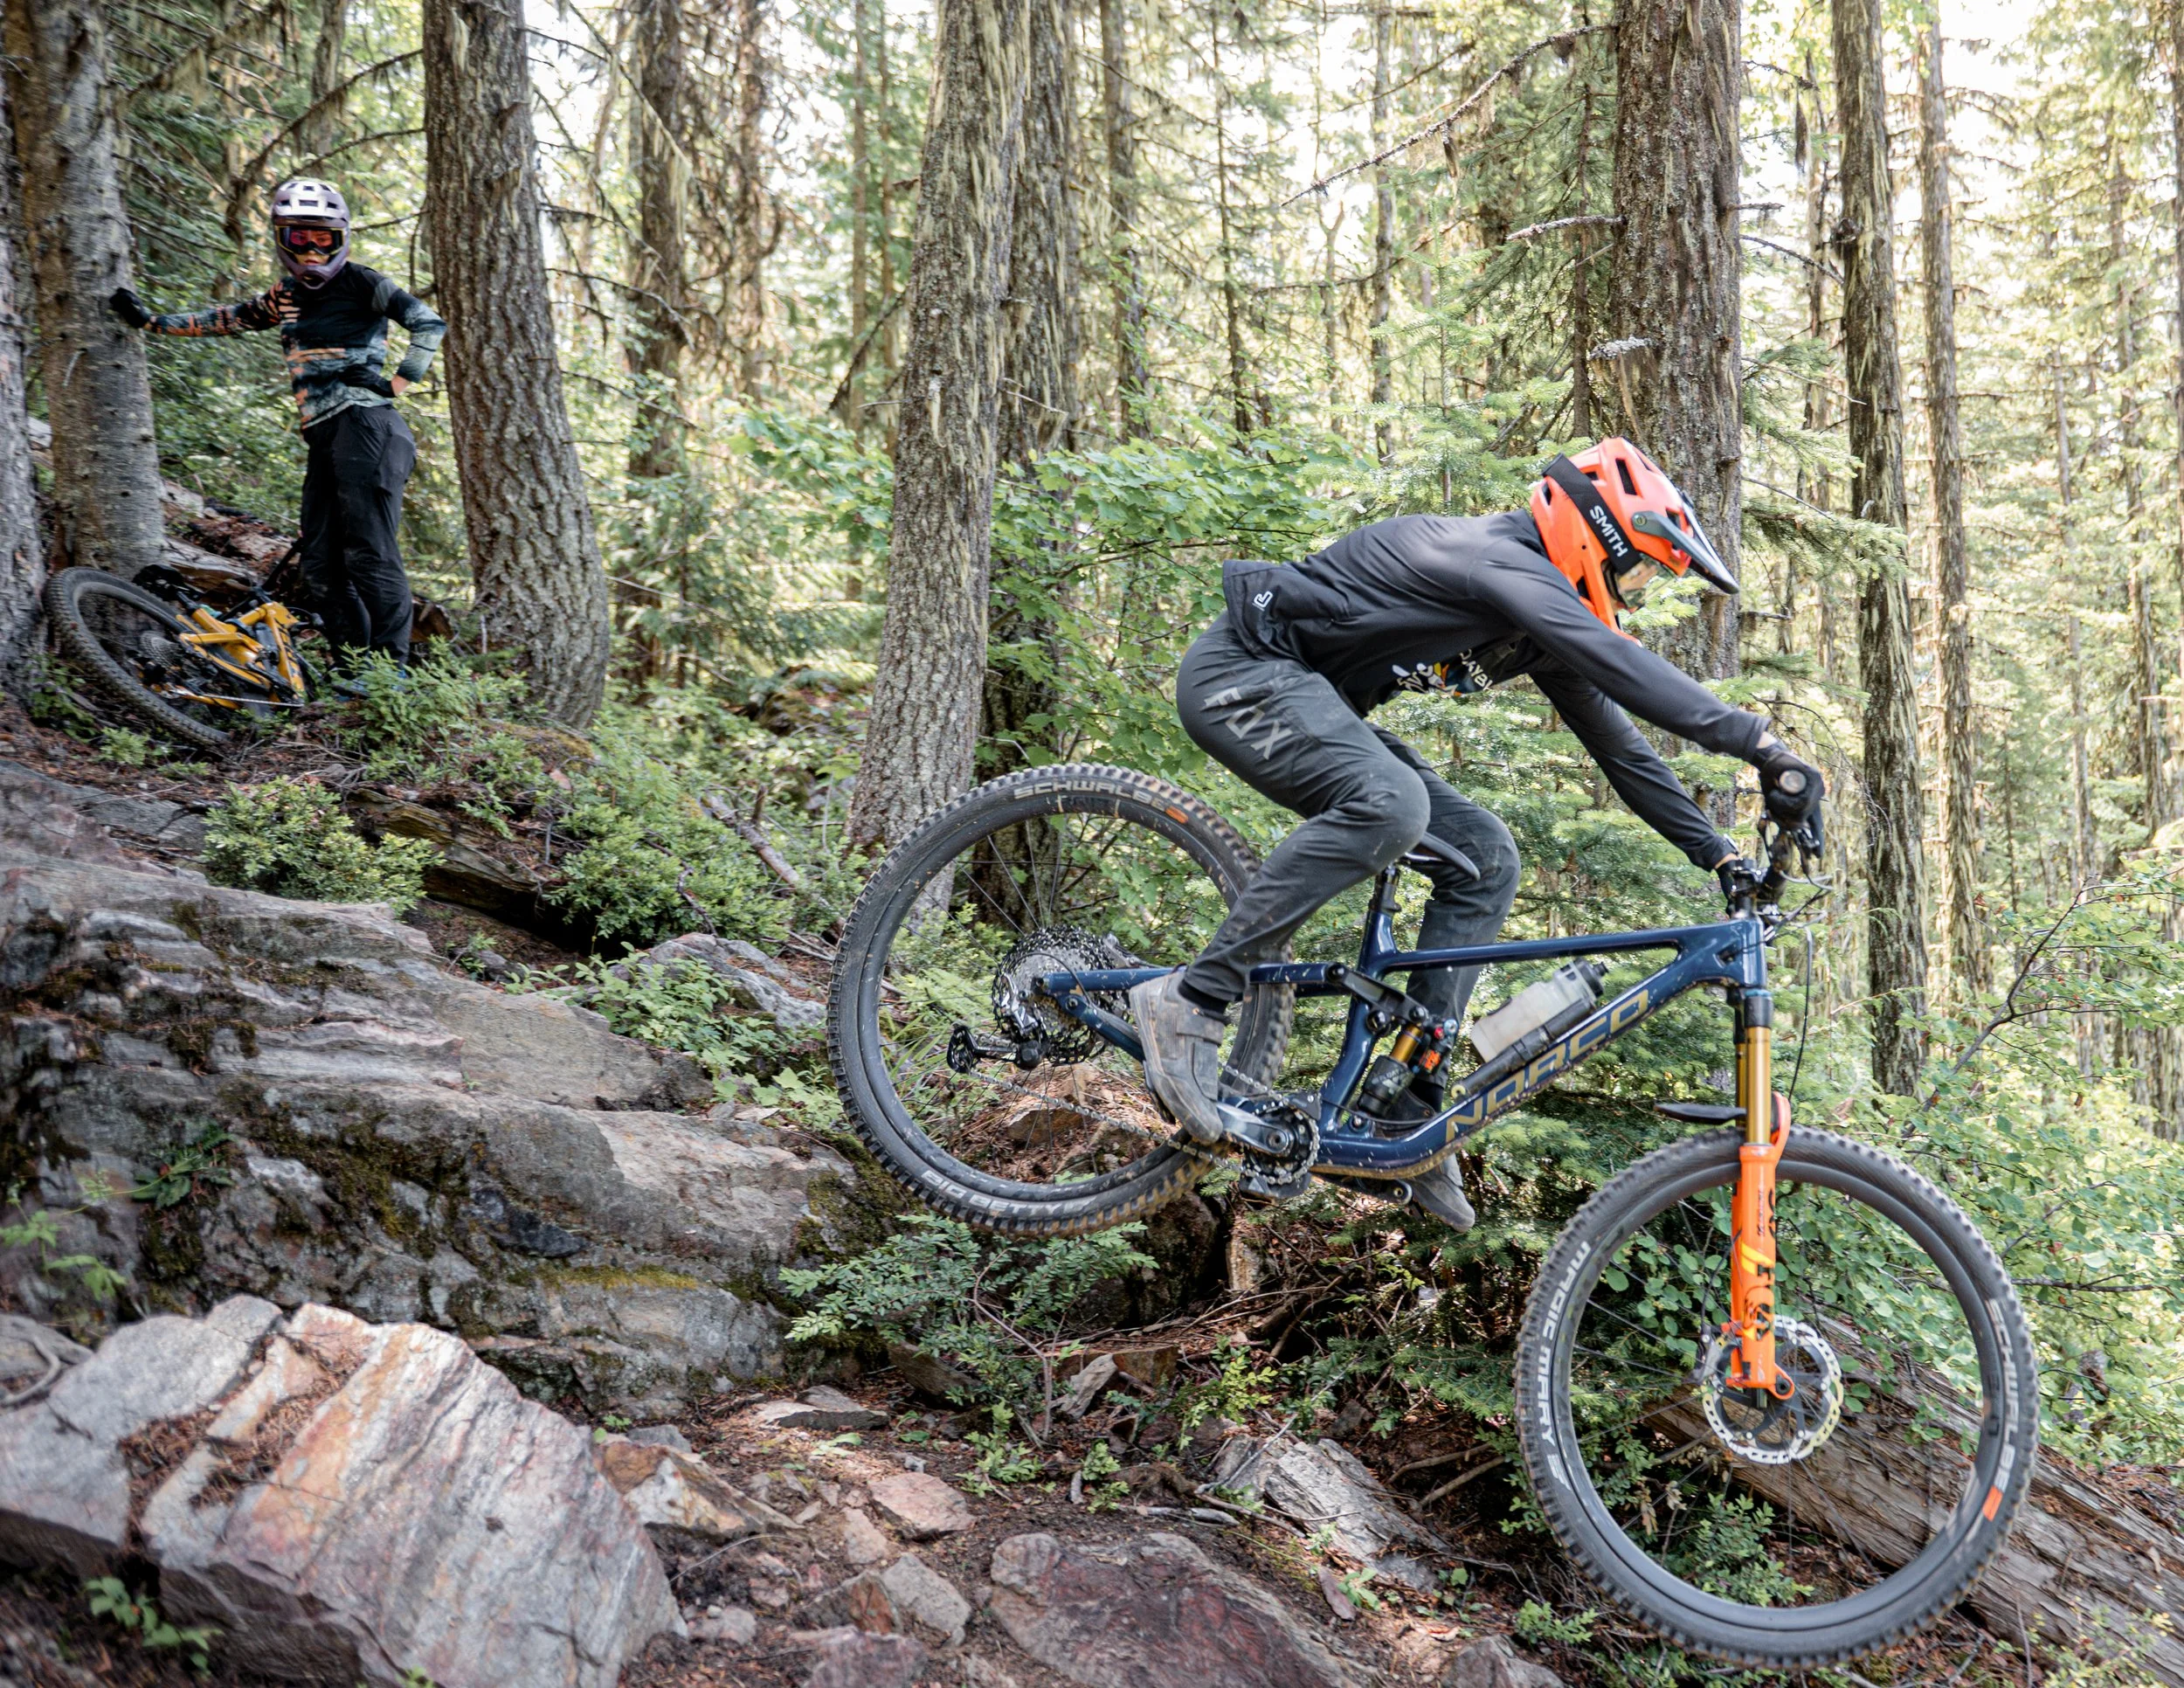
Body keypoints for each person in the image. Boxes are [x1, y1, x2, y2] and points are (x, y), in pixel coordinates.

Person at [1129, 438, 1824, 1230]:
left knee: (1485, 857)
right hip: (1242, 676)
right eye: (1634, 572)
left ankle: (1407, 1105)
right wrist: (1761, 745)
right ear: (1594, 531)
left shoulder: (1533, 621)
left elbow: (1622, 747)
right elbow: (1620, 661)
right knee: (1392, 806)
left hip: (1310, 697)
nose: (1630, 597)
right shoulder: (1491, 558)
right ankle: (1191, 997)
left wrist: (1718, 853)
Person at [110, 178, 446, 676]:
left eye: (323, 240)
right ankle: (356, 673)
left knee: (369, 554)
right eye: (299, 240)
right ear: (282, 240)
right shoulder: (285, 295)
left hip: (368, 425)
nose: (312, 251)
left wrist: (395, 384)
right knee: (321, 568)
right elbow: (226, 318)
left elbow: (428, 322)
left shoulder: (363, 282)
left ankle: (389, 674)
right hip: (326, 436)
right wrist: (151, 322)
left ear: (341, 238)